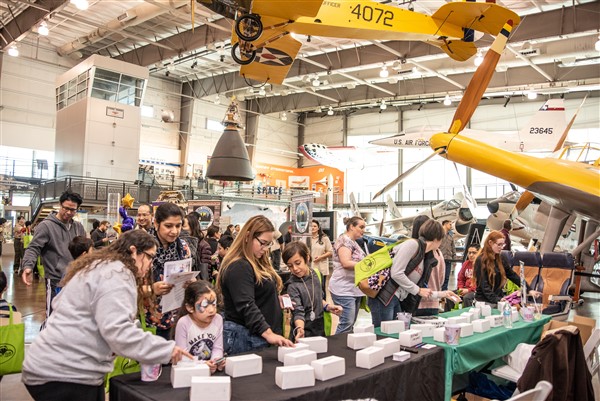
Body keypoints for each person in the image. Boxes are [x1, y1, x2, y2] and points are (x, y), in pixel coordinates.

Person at [21, 230, 191, 401]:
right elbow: (119, 333)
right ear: (133, 251)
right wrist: (167, 350)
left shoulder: (102, 267)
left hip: (54, 366)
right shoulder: (116, 275)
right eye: (149, 257)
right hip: (65, 373)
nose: (150, 264)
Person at [217, 215, 293, 355]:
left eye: (268, 244)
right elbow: (246, 305)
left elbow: (254, 293)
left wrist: (274, 300)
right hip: (248, 338)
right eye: (262, 243)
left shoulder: (255, 261)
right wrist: (269, 334)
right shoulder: (239, 266)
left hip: (257, 336)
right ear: (247, 236)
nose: (265, 248)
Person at [21, 191, 87, 322]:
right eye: (66, 208)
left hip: (76, 279)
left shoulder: (78, 227)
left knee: (72, 318)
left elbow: (86, 248)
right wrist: (28, 266)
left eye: (73, 210)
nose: (68, 212)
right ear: (60, 205)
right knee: (53, 318)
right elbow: (33, 248)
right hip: (55, 280)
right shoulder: (46, 226)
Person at [145, 203, 191, 340]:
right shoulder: (143, 247)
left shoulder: (183, 247)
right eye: (168, 226)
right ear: (156, 223)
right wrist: (151, 289)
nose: (174, 231)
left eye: (178, 226)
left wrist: (190, 282)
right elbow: (127, 287)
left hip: (177, 316)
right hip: (148, 319)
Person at [283, 241, 342, 342]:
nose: (295, 269)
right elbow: (298, 311)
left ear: (307, 257)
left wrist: (328, 307)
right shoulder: (292, 286)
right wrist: (300, 329)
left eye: (298, 263)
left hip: (320, 327)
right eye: (290, 266)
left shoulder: (316, 274)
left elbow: (318, 299)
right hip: (303, 330)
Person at [389, 219, 445, 317]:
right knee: (384, 326)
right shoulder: (413, 245)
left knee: (396, 325)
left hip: (397, 297)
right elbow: (396, 273)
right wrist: (418, 290)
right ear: (437, 239)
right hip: (387, 295)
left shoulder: (423, 254)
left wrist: (443, 294)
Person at [473, 230, 541, 306]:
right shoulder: (481, 260)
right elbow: (483, 285)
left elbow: (512, 275)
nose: (501, 247)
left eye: (503, 245)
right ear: (490, 243)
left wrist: (528, 289)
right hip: (484, 302)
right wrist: (497, 299)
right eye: (499, 245)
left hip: (497, 300)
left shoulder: (501, 258)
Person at [174, 281, 225, 373]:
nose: (211, 310)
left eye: (214, 304)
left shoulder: (218, 319)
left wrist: (217, 361)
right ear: (190, 307)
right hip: (188, 373)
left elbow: (218, 348)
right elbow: (183, 357)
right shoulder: (183, 323)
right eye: (204, 305)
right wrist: (203, 364)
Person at [328, 216, 366, 334]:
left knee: (350, 324)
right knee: (346, 324)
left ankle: (346, 344)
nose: (363, 230)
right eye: (361, 227)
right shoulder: (344, 240)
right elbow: (345, 263)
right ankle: (336, 344)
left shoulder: (353, 242)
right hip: (343, 288)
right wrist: (367, 265)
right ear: (351, 227)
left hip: (353, 288)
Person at [414, 217, 457, 316]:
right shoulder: (438, 253)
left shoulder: (413, 251)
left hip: (413, 302)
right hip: (433, 302)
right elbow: (441, 279)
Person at [310, 219, 333, 297]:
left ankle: (323, 304)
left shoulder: (324, 238)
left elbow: (330, 252)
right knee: (311, 289)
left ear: (318, 228)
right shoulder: (306, 238)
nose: (313, 228)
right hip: (309, 267)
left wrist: (320, 257)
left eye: (315, 226)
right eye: (311, 226)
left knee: (321, 289)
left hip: (321, 267)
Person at [439, 220, 456, 291]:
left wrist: (454, 260)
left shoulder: (451, 236)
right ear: (445, 224)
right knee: (439, 277)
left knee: (446, 277)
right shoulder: (439, 235)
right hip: (440, 260)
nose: (451, 226)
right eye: (450, 224)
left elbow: (453, 248)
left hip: (448, 260)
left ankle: (444, 292)